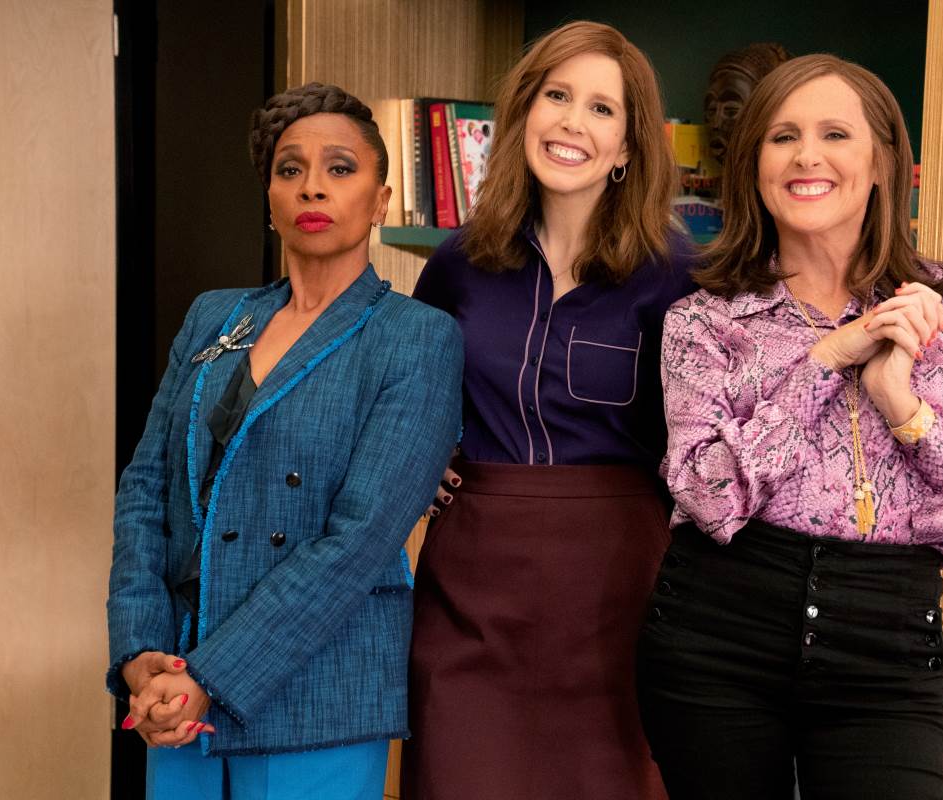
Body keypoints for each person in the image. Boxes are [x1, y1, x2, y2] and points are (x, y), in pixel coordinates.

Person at [637, 54, 943, 799]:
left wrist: (900, 401)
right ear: (753, 165)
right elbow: (706, 497)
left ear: (885, 161)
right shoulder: (703, 320)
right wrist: (827, 359)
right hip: (716, 638)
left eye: (835, 134)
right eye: (782, 137)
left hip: (887, 644)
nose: (807, 156)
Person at [106, 82, 462, 799]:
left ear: (382, 200)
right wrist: (140, 655)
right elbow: (146, 491)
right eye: (289, 169)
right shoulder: (214, 317)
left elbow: (360, 542)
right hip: (175, 689)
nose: (312, 187)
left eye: (340, 168)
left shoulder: (417, 337)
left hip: (318, 696)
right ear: (269, 199)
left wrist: (211, 676)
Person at [401, 20, 695, 800]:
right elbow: (406, 395)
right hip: (470, 587)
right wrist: (420, 467)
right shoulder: (459, 262)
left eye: (602, 109)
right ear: (524, 112)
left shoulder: (680, 276)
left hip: (620, 592)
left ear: (628, 146)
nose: (572, 122)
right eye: (556, 96)